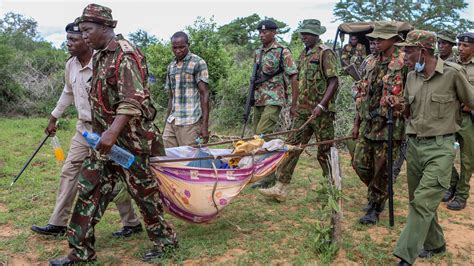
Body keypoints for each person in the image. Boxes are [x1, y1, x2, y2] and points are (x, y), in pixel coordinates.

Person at [49, 4, 177, 265]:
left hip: (130, 144)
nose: (84, 36)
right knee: (88, 190)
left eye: (88, 30)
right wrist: (100, 136)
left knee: (145, 196)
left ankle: (165, 241)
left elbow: (132, 100)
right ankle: (80, 252)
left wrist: (111, 133)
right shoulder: (99, 56)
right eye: (82, 31)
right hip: (104, 143)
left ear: (106, 28)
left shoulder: (126, 55)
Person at [31, 21, 142, 239]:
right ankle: (58, 223)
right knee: (69, 170)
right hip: (83, 130)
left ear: (85, 39)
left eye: (74, 40)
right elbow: (67, 92)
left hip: (108, 130)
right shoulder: (70, 65)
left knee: (116, 176)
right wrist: (54, 117)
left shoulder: (104, 61)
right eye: (67, 40)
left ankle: (132, 223)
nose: (69, 44)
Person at [393, 30, 474, 266]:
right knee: (420, 200)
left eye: (408, 50)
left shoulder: (453, 73)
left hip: (440, 147)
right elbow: (408, 111)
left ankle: (405, 255)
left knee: (422, 201)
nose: (404, 54)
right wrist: (396, 105)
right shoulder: (411, 77)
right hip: (415, 147)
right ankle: (435, 243)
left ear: (423, 51)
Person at [258, 19, 338, 201]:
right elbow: (299, 81)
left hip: (321, 112)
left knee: (325, 150)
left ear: (317, 34)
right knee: (292, 147)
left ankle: (332, 188)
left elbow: (333, 81)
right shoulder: (303, 54)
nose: (304, 37)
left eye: (308, 34)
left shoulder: (325, 53)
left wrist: (321, 106)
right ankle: (280, 187)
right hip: (303, 110)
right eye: (302, 33)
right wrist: (294, 105)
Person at [351, 22, 407, 225]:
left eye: (380, 39)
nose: (375, 42)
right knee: (360, 164)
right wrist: (356, 123)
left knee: (382, 169)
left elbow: (410, 95)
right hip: (368, 122)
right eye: (373, 38)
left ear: (393, 40)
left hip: (389, 125)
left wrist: (400, 106)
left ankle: (374, 206)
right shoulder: (369, 61)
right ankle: (379, 194)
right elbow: (362, 93)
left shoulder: (403, 62)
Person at [250, 19, 299, 189]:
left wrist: (294, 102)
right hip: (259, 99)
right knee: (259, 138)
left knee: (261, 134)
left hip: (274, 99)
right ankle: (264, 173)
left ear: (274, 32)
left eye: (265, 32)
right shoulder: (258, 52)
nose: (262, 35)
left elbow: (293, 75)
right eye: (260, 32)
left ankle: (268, 175)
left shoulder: (282, 51)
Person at [442, 32, 474, 210]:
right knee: (444, 152)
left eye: (466, 45)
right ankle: (452, 183)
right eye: (459, 45)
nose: (461, 48)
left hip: (469, 119)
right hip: (449, 116)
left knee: (467, 160)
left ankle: (461, 195)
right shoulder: (450, 64)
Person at [163, 31, 210, 147]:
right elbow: (171, 96)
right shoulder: (171, 66)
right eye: (174, 48)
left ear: (188, 45)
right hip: (173, 120)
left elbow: (204, 94)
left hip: (190, 121)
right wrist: (166, 121)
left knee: (189, 158)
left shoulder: (198, 63)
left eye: (181, 47)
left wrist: (204, 126)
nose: (178, 51)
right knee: (167, 156)